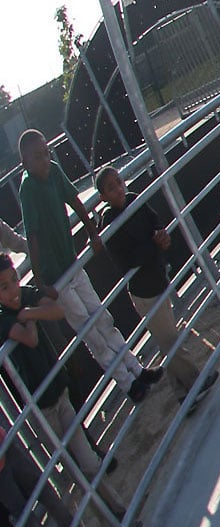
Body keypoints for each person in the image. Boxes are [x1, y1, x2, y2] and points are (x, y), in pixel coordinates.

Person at [15, 132, 157, 403]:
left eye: (47, 153)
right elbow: (32, 235)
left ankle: (137, 368)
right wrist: (40, 279)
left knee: (101, 317)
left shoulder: (54, 172)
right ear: (25, 162)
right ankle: (127, 383)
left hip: (72, 264)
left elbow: (74, 200)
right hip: (56, 277)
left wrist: (92, 232)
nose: (45, 160)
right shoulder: (27, 190)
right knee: (90, 331)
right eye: (38, 156)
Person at [0, 252, 121, 504]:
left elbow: (57, 310)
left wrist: (29, 312)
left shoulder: (25, 295)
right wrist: (31, 314)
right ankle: (107, 517)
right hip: (39, 409)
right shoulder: (2, 317)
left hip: (58, 391)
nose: (12, 289)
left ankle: (118, 511)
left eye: (13, 280)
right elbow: (30, 339)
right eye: (4, 286)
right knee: (73, 472)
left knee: (89, 464)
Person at [96, 167, 209, 398]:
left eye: (119, 182)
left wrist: (162, 236)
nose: (118, 189)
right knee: (170, 340)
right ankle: (196, 381)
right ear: (103, 197)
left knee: (166, 338)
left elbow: (155, 222)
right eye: (111, 187)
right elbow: (126, 261)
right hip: (144, 291)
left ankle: (181, 393)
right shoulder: (109, 224)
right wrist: (154, 244)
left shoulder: (134, 200)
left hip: (157, 280)